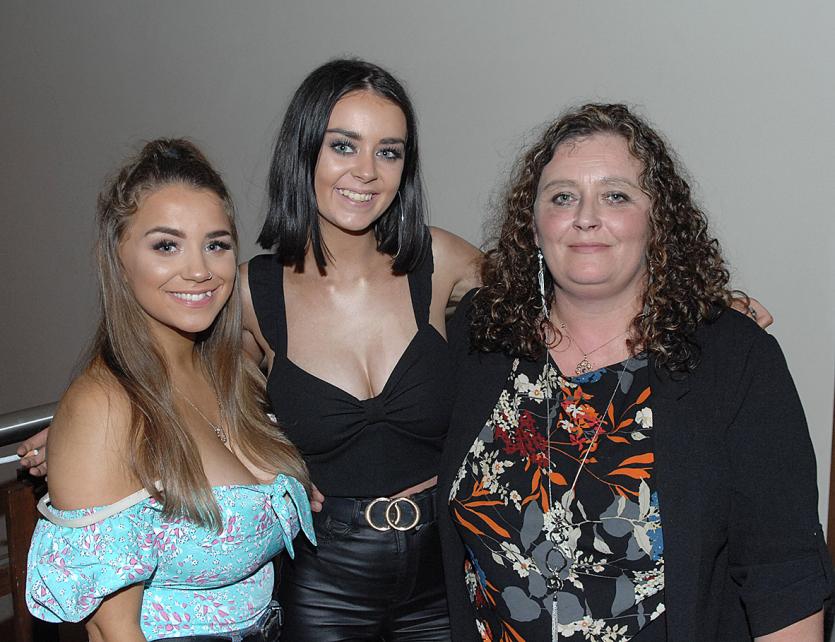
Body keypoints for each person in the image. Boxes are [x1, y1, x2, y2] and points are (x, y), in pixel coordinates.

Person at [437, 104, 832, 641]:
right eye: (562, 197)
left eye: (616, 196)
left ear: (657, 219)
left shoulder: (733, 359)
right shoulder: (482, 336)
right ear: (533, 224)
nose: (586, 217)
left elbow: (783, 573)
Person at [26, 139, 314, 642]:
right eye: (166, 245)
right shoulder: (104, 407)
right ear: (118, 257)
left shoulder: (231, 377)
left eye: (216, 245)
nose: (199, 270)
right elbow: (113, 631)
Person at [239, 58, 482, 640]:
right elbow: (180, 385)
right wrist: (96, 425)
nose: (367, 172)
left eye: (388, 152)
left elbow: (563, 301)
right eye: (343, 146)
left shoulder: (438, 261)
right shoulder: (252, 292)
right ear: (304, 151)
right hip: (324, 584)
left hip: (445, 570)